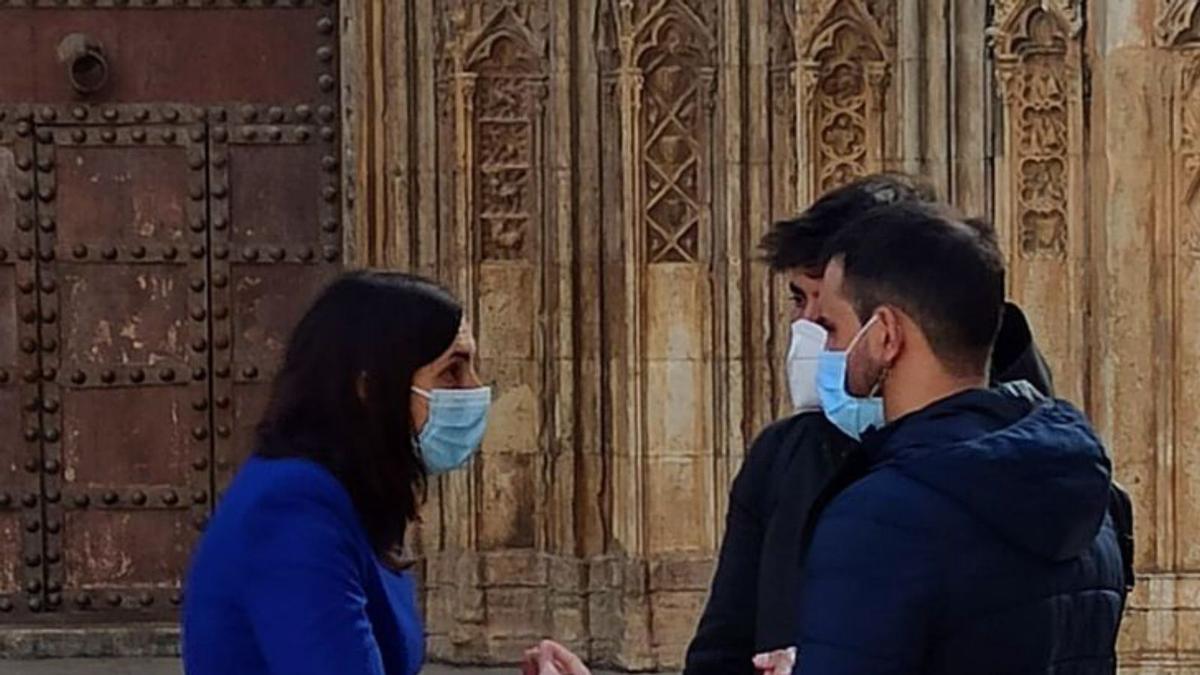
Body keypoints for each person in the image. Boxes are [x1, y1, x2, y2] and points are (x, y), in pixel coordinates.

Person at [683, 174, 1057, 675]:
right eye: (799, 301)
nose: (810, 330)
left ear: (885, 325)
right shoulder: (786, 459)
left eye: (829, 314)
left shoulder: (1035, 472)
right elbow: (723, 649)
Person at [794, 202, 1125, 673]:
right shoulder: (1086, 495)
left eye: (830, 326)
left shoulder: (879, 519)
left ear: (885, 334)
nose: (823, 347)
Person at [183, 272, 492, 675]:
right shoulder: (293, 509)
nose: (475, 389)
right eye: (452, 372)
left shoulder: (354, 496)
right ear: (369, 388)